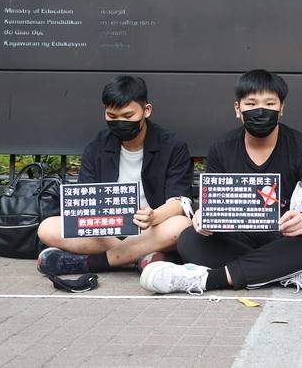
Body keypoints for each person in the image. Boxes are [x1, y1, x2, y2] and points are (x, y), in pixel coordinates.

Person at [140, 70, 302, 295]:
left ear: (281, 108)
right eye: (251, 103)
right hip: (236, 240)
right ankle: (291, 273)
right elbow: (209, 208)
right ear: (238, 109)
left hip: (285, 239)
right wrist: (202, 218)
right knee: (189, 240)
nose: (260, 110)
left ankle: (208, 280)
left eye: (270, 103)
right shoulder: (221, 148)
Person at [37, 76, 194, 275]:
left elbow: (181, 202)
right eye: (112, 117)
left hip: (152, 228)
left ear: (146, 110)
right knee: (47, 228)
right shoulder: (97, 147)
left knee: (180, 226)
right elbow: (85, 200)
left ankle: (92, 263)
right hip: (107, 230)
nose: (120, 122)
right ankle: (139, 256)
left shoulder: (172, 146)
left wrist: (153, 217)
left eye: (128, 116)